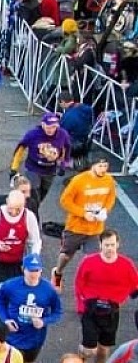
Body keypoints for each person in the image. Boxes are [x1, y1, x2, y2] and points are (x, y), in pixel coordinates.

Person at [0, 190, 43, 323]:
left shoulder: (28, 216)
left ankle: (12, 326)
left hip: (17, 263)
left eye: (18, 209)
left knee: (16, 297)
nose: (14, 212)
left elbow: (35, 241)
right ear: (6, 202)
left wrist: (33, 259)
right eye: (11, 208)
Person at [52, 151, 116, 292]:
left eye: (105, 166)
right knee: (66, 255)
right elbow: (65, 201)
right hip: (75, 227)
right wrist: (83, 213)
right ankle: (57, 273)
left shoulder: (109, 180)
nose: (103, 169)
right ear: (92, 166)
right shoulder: (78, 180)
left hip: (95, 229)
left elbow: (111, 197)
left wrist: (105, 210)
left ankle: (87, 284)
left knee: (93, 258)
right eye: (100, 166)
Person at [74, 229, 138, 363]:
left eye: (112, 245)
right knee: (89, 349)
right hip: (90, 309)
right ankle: (79, 357)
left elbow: (135, 287)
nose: (110, 248)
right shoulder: (89, 262)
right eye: (107, 245)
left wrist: (122, 299)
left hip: (111, 312)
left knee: (103, 349)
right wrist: (81, 307)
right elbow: (79, 285)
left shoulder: (126, 265)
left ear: (117, 244)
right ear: (100, 245)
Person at [0, 254, 63, 363]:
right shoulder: (11, 285)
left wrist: (43, 321)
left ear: (41, 271)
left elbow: (57, 312)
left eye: (36, 270)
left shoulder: (49, 289)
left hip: (35, 339)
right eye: (30, 270)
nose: (33, 274)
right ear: (23, 269)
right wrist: (5, 320)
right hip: (13, 337)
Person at [9, 112, 71, 203]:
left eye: (54, 127)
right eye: (48, 127)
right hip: (33, 168)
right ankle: (30, 209)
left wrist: (63, 164)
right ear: (42, 124)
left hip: (50, 170)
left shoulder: (63, 134)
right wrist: (14, 168)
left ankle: (33, 208)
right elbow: (20, 149)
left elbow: (67, 148)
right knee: (34, 196)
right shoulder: (33, 134)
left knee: (41, 197)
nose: (51, 130)